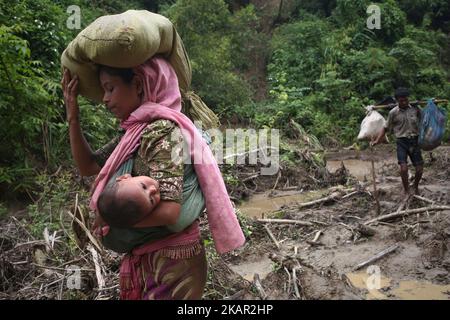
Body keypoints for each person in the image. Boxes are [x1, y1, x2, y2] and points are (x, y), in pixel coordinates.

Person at [61, 56, 245, 300]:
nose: (105, 99)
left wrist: (111, 219)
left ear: (137, 85)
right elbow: (88, 165)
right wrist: (73, 116)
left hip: (171, 266)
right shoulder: (135, 133)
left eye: (110, 88)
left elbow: (170, 212)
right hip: (158, 262)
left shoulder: (163, 133)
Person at [372, 87, 423, 197]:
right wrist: (377, 141)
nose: (404, 102)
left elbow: (425, 120)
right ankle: (406, 190)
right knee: (403, 168)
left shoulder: (415, 109)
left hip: (415, 141)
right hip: (402, 142)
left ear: (408, 99)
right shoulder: (393, 113)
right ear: (397, 101)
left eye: (406, 100)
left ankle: (415, 186)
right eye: (401, 101)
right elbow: (385, 128)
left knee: (419, 169)